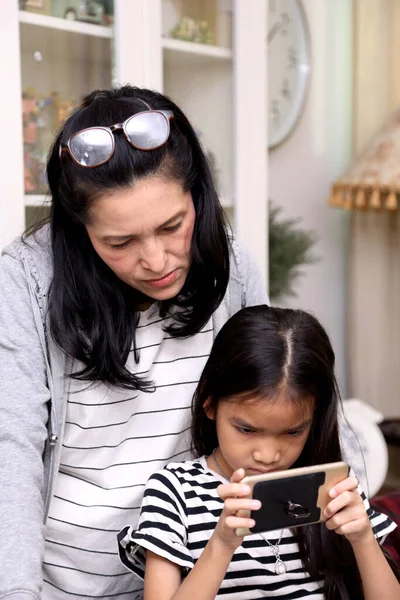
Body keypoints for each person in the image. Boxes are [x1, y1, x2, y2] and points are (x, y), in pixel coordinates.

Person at [0, 86, 268, 599]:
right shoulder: (25, 283)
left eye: (173, 226)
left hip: (199, 579)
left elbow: (281, 390)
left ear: (198, 197)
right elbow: (11, 453)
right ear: (80, 232)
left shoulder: (231, 269)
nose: (157, 260)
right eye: (119, 242)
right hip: (63, 587)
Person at [118, 305, 398, 600]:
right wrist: (222, 545)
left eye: (292, 432)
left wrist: (364, 538)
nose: (267, 455)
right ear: (209, 402)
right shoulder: (175, 491)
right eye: (247, 430)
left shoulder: (330, 487)